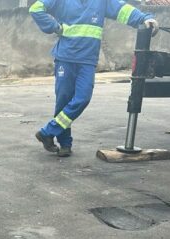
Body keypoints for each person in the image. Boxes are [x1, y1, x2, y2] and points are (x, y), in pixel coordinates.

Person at [30, 0, 158, 157]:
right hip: (65, 57)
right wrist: (54, 27)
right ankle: (65, 144)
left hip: (87, 60)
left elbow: (123, 10)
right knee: (63, 101)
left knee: (83, 98)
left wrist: (144, 18)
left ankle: (47, 132)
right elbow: (36, 8)